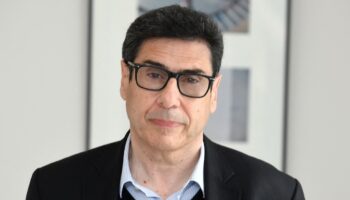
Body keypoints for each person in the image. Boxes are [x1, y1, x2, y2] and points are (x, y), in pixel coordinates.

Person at [26, 5, 305, 200]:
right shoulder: (53, 188)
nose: (170, 99)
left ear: (214, 92)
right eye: (154, 74)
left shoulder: (277, 194)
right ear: (125, 79)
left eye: (191, 80)